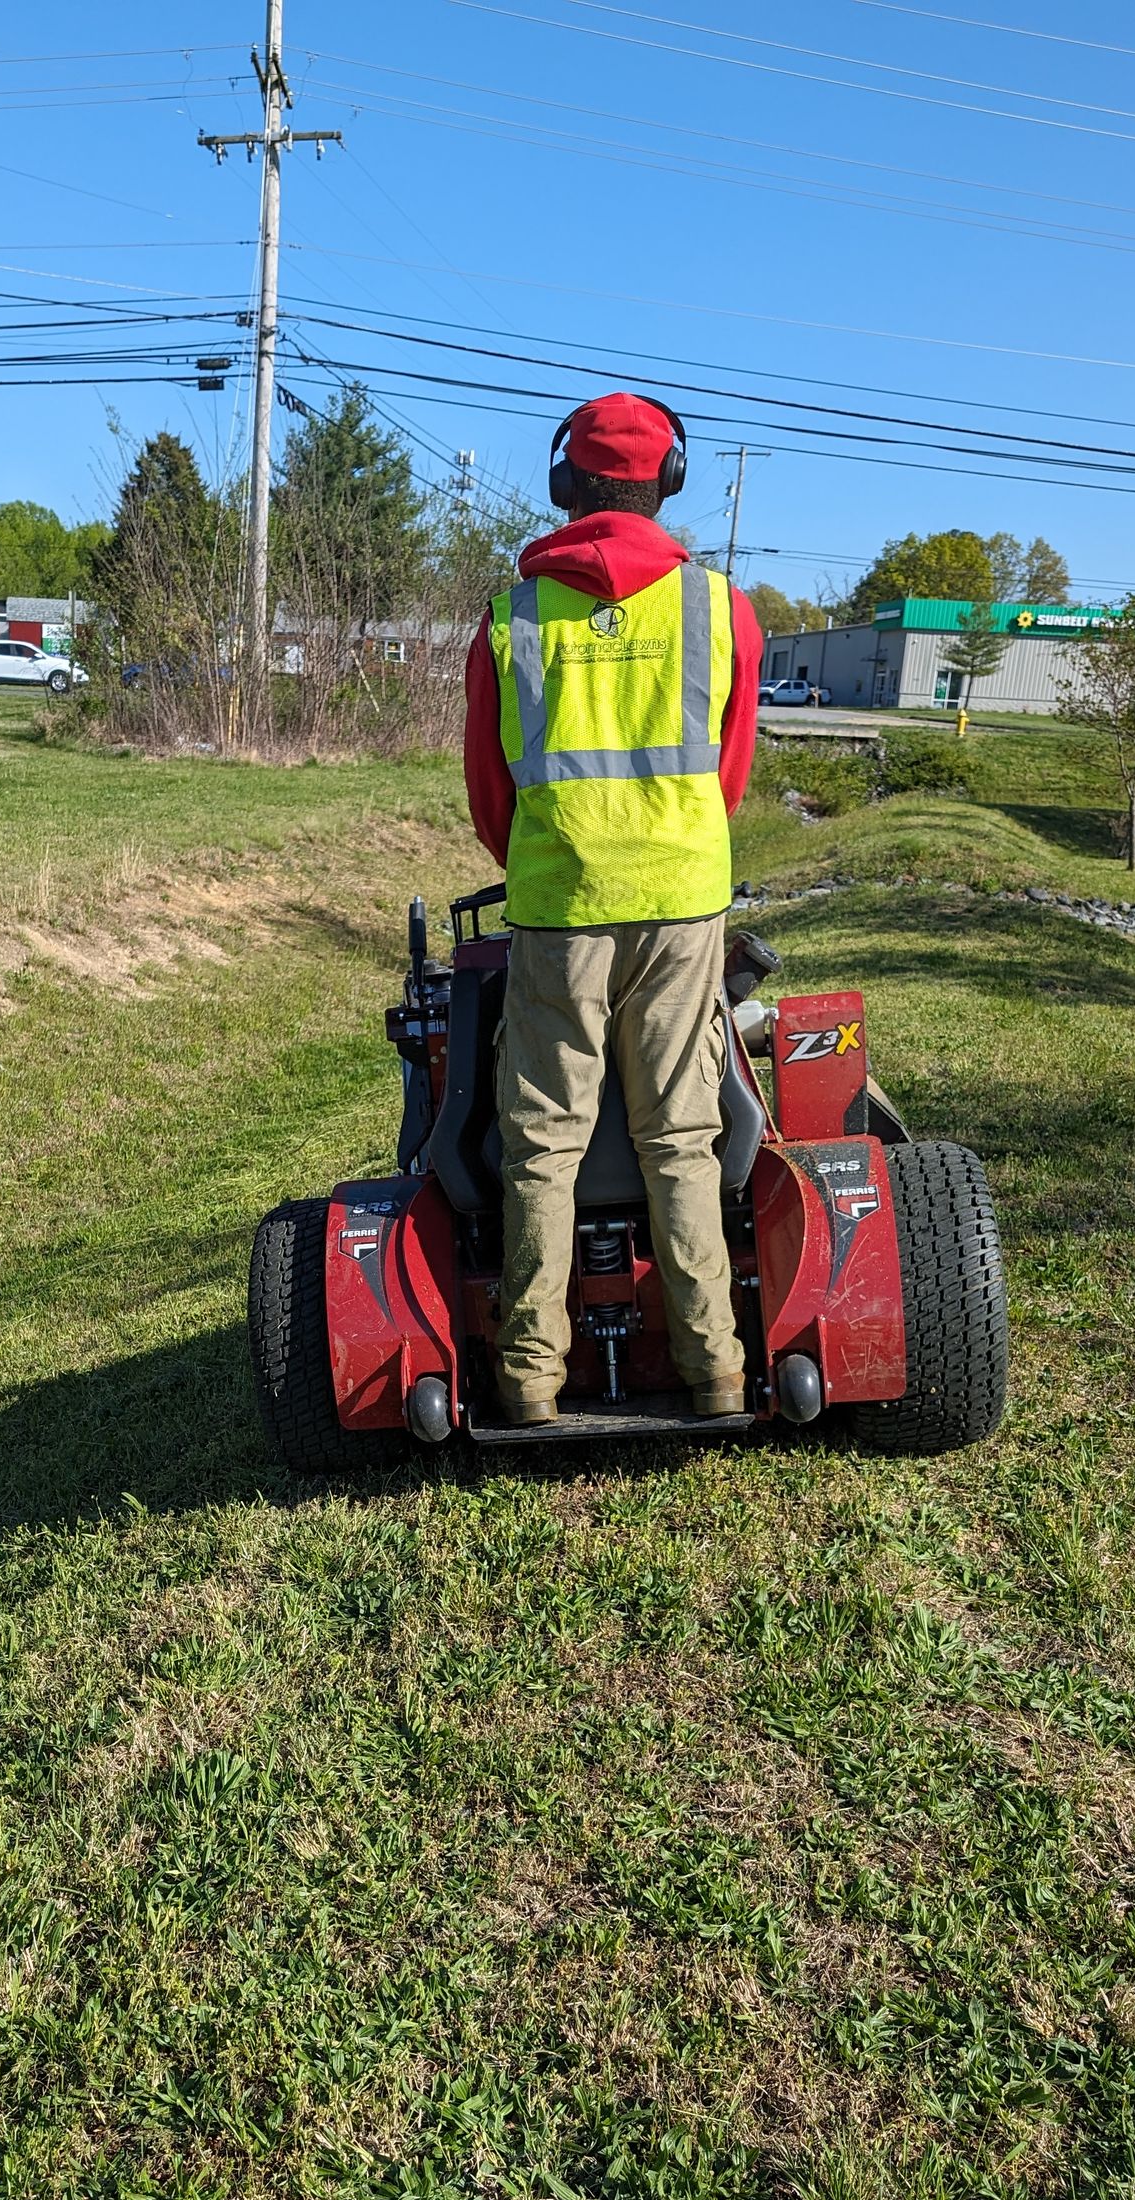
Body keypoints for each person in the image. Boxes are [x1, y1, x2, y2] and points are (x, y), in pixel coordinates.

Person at [462, 392, 763, 1426]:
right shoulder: (721, 609)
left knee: (541, 1143)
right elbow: (728, 776)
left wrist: (556, 864)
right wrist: (673, 855)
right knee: (680, 1135)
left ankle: (530, 1378)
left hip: (557, 907)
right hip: (682, 902)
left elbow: (489, 799)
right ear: (667, 480)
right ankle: (715, 1368)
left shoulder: (509, 618)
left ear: (566, 483)